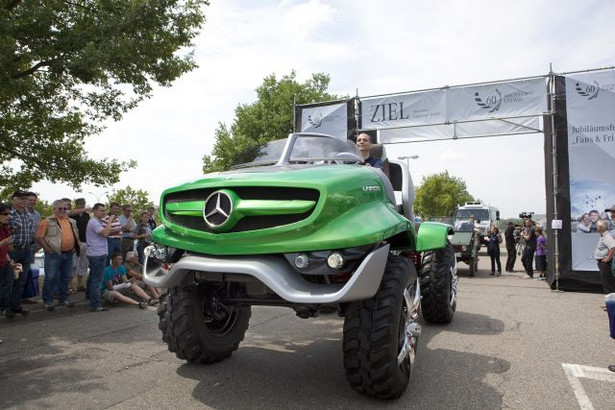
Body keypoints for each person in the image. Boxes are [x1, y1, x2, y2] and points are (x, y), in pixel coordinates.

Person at [35, 199, 80, 311]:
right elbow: (39, 237)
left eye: (65, 208)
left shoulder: (71, 221)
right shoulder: (47, 221)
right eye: (60, 208)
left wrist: (75, 246)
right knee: (51, 278)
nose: (63, 210)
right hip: (53, 254)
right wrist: (47, 249)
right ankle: (48, 301)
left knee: (65, 278)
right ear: (54, 209)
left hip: (68, 254)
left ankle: (63, 299)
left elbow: (76, 235)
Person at [0, 202, 28, 318]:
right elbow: (3, 244)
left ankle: (11, 307)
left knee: (12, 283)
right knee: (3, 285)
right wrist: (4, 242)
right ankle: (3, 308)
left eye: (9, 214)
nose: (8, 216)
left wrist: (9, 260)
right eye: (4, 214)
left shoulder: (5, 227)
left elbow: (5, 248)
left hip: (7, 260)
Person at [86, 203, 114, 312]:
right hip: (97, 254)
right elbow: (105, 233)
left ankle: (90, 297)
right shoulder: (94, 222)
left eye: (104, 210)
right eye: (102, 210)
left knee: (93, 278)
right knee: (97, 280)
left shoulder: (97, 221)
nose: (104, 212)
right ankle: (95, 304)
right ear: (95, 211)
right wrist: (110, 220)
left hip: (97, 253)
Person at [8, 191, 33, 310]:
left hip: (25, 251)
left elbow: (31, 231)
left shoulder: (28, 214)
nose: (24, 201)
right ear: (14, 200)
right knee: (10, 278)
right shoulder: (9, 213)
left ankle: (16, 305)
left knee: (20, 279)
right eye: (21, 199)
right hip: (14, 251)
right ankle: (6, 306)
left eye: (26, 199)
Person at [68, 198, 91, 292]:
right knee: (73, 264)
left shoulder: (86, 215)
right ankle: (70, 286)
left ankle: (80, 284)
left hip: (85, 241)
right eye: (80, 203)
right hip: (75, 242)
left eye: (84, 203)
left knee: (83, 264)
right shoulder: (72, 215)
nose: (82, 205)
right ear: (76, 204)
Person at [594, 220, 615, 295]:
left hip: (605, 263)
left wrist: (608, 258)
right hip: (603, 263)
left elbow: (613, 247)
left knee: (608, 284)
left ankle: (611, 305)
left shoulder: (607, 236)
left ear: (600, 227)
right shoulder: (604, 235)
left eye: (597, 226)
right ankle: (610, 303)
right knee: (607, 283)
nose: (596, 227)